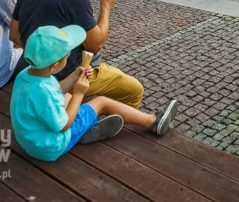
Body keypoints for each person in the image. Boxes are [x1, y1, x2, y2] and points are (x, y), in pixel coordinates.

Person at [11, 0, 146, 108]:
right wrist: (106, 8)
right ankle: (89, 122)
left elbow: (14, 34)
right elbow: (95, 44)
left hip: (33, 71)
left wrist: (42, 56)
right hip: (65, 74)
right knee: (134, 90)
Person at [10, 24, 178, 161]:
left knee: (66, 96)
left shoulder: (27, 76)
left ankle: (85, 130)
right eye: (67, 56)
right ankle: (153, 122)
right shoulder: (44, 92)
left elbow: (57, 93)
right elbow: (62, 126)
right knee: (101, 102)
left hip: (30, 141)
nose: (69, 57)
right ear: (54, 65)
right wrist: (79, 94)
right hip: (51, 146)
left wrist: (75, 75)